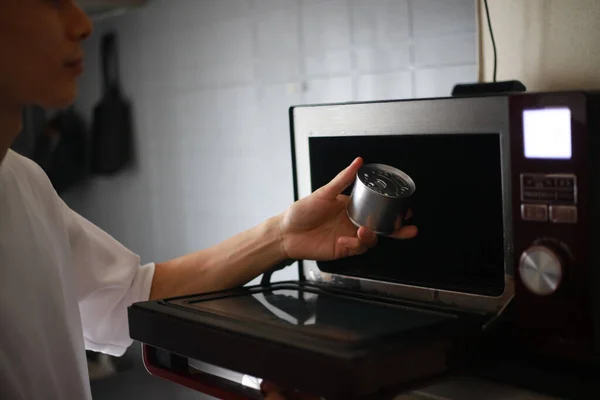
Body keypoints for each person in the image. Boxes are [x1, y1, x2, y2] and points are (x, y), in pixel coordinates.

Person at [0, 1, 418, 399]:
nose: (83, 23)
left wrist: (282, 238)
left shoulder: (25, 181)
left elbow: (126, 299)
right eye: (52, 0)